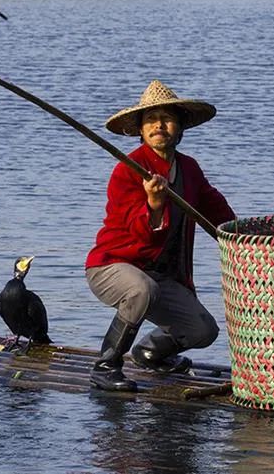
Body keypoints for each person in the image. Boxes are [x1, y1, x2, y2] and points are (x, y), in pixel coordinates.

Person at [85, 80, 235, 391]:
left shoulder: (189, 169)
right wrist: (153, 204)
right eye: (151, 119)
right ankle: (105, 366)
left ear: (180, 128)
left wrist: (241, 237)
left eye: (167, 119)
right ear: (140, 129)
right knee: (142, 289)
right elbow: (137, 232)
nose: (159, 126)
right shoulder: (128, 170)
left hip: (160, 277)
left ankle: (150, 353)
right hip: (112, 266)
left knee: (203, 331)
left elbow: (216, 210)